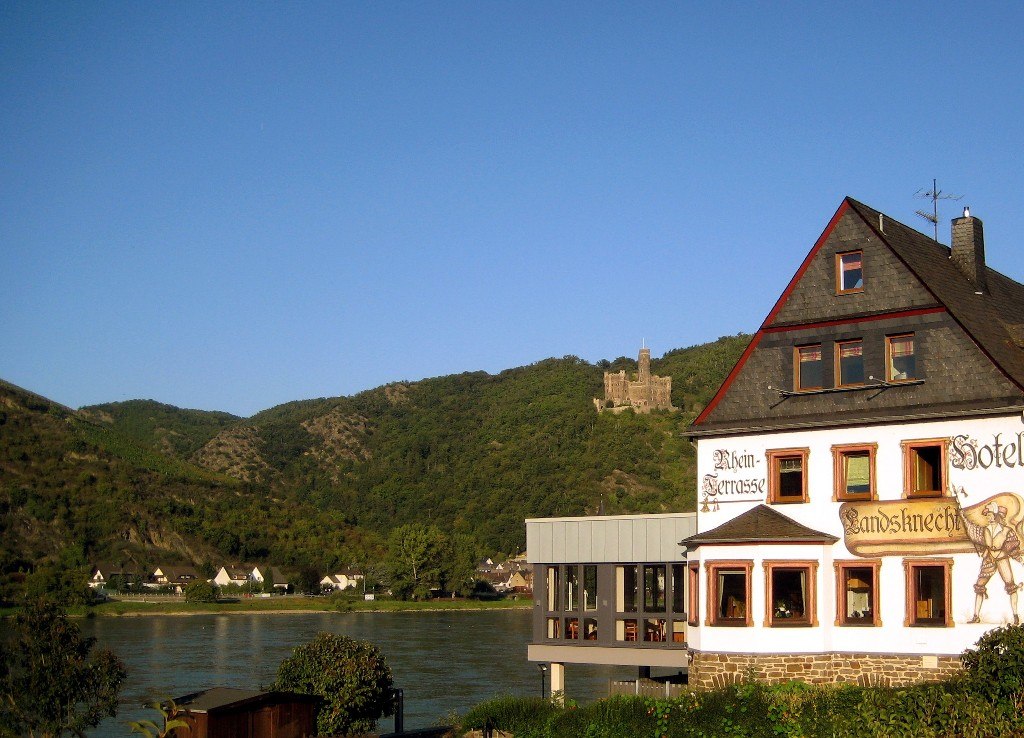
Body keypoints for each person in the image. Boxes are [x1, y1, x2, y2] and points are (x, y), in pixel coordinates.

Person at [965, 501, 1024, 624]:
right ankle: (976, 616)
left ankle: (1015, 615)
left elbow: (1012, 550)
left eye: (990, 515)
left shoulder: (1006, 531)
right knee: (979, 585)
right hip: (989, 559)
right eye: (987, 515)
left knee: (1011, 586)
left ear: (996, 516)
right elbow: (973, 533)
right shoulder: (985, 530)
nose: (988, 517)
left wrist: (1020, 560)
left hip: (1002, 559)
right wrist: (962, 516)